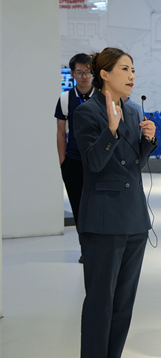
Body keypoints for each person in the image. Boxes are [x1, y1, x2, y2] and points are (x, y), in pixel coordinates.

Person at [73, 47, 157, 358]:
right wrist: (110, 130)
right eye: (124, 69)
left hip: (134, 218)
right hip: (103, 219)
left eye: (133, 69)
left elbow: (134, 165)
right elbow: (93, 164)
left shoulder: (133, 112)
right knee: (100, 300)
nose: (131, 75)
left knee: (124, 300)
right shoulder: (87, 113)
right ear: (104, 74)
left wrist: (147, 141)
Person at [55, 53, 96, 263]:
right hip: (73, 161)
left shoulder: (102, 96)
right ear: (72, 74)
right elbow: (61, 132)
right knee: (79, 207)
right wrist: (63, 162)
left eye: (88, 72)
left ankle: (100, 249)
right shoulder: (65, 99)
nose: (84, 76)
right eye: (79, 72)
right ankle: (86, 250)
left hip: (97, 162)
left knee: (97, 207)